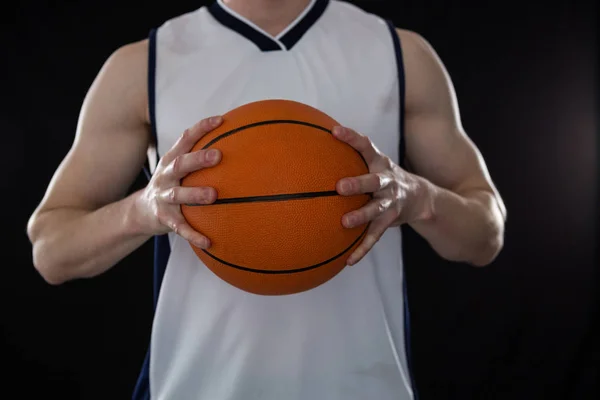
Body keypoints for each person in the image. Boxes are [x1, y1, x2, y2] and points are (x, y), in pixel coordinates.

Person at [26, 0, 507, 399]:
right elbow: (52, 250)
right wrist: (143, 210)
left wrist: (417, 196)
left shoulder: (400, 53)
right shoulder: (143, 64)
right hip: (195, 387)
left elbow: (487, 234)